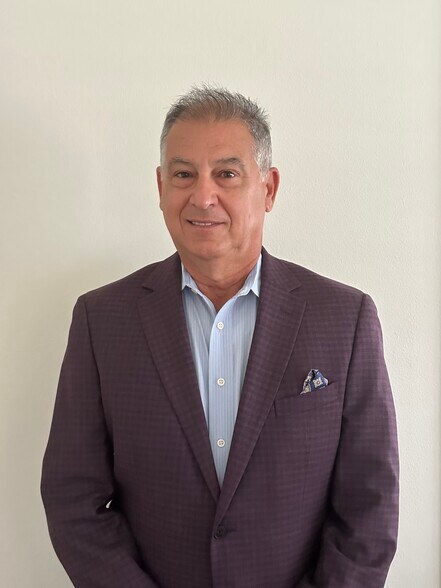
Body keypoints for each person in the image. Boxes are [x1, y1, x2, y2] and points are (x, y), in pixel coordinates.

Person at [41, 85, 399, 588]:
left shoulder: (344, 318)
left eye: (226, 174)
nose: (203, 196)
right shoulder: (102, 320)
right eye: (183, 174)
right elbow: (72, 499)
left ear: (268, 188)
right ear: (161, 187)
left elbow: (371, 503)